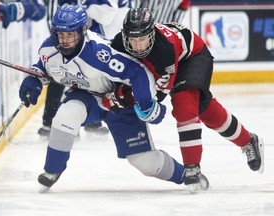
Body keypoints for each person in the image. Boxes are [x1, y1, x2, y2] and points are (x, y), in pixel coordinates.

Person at [18, 4, 209, 194]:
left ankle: (184, 175)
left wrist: (146, 103)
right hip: (87, 98)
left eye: (71, 34)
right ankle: (52, 170)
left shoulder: (100, 53)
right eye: (61, 34)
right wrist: (34, 79)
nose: (65, 40)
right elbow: (44, 67)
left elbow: (138, 72)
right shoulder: (49, 48)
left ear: (83, 31)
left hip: (120, 103)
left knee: (145, 162)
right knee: (66, 115)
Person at [104, 8, 264, 193]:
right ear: (124, 36)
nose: (138, 46)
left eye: (142, 39)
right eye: (133, 40)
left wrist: (126, 97)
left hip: (192, 57)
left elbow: (157, 94)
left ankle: (192, 168)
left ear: (152, 34)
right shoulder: (118, 44)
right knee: (204, 109)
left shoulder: (164, 49)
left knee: (184, 105)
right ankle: (248, 140)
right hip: (167, 66)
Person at [36, 0, 134, 138]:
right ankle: (50, 120)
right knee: (58, 66)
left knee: (90, 74)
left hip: (87, 34)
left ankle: (91, 120)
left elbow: (107, 14)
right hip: (64, 27)